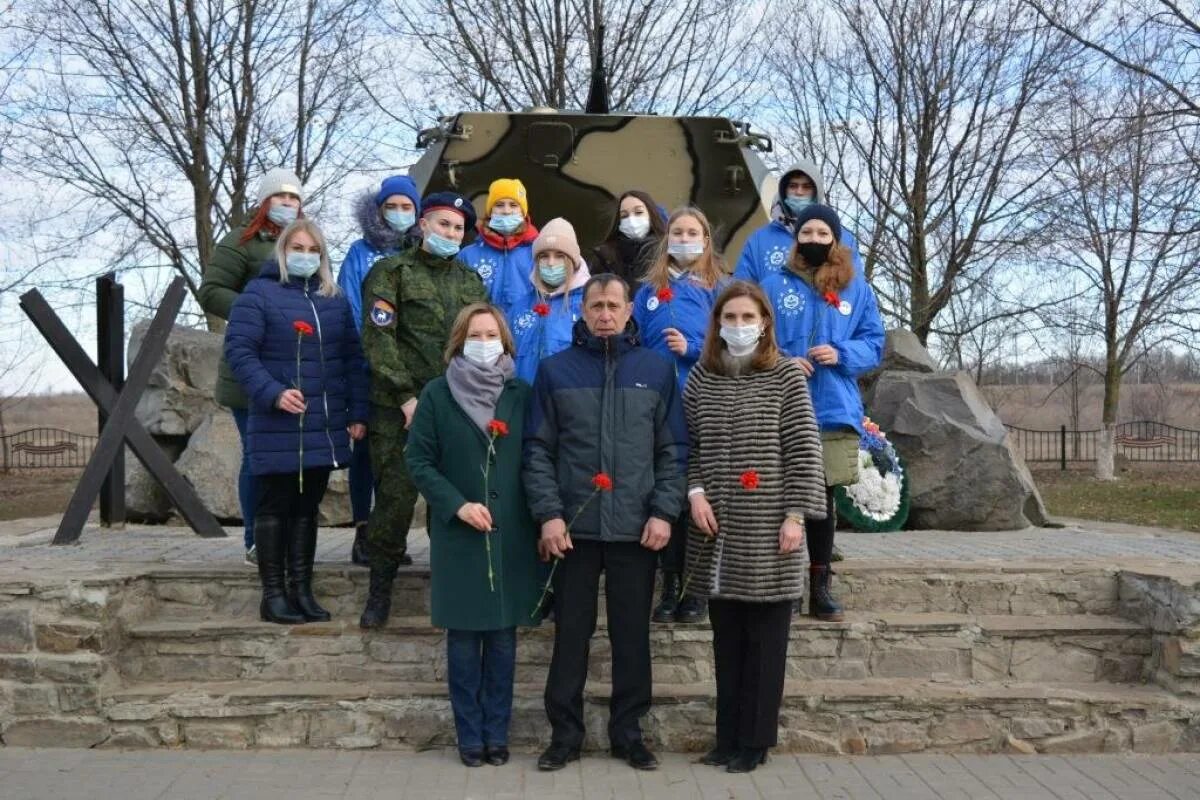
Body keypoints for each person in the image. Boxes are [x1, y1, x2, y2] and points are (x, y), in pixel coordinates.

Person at [523, 274, 687, 773]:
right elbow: (537, 451)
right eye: (596, 305)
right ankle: (565, 736)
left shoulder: (657, 370)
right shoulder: (555, 371)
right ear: (583, 310)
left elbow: (674, 450)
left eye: (613, 305)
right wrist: (549, 515)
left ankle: (628, 733)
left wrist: (663, 512)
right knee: (570, 636)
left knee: (632, 637)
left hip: (637, 529)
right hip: (574, 528)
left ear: (629, 308)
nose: (604, 314)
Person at [682, 281, 826, 773]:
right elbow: (690, 447)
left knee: (765, 646)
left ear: (765, 322)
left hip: (770, 531)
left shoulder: (786, 376)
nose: (739, 326)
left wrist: (795, 517)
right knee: (728, 643)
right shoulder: (702, 376)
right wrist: (695, 492)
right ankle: (726, 739)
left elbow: (806, 451)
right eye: (730, 317)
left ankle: (755, 742)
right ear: (717, 323)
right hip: (718, 529)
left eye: (748, 318)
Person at [405, 302, 543, 768]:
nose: (484, 343)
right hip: (460, 535)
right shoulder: (437, 394)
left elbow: (535, 457)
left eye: (492, 336)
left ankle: (496, 732)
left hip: (510, 537)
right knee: (464, 643)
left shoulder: (521, 393)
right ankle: (469, 735)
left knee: (503, 641)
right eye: (475, 334)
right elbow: (418, 460)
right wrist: (456, 503)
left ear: (505, 343)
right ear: (459, 340)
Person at [223, 218, 368, 625]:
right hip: (278, 421)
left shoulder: (333, 299)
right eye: (297, 248)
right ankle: (274, 593)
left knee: (307, 506)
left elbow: (351, 358)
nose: (305, 256)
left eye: (313, 250)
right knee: (276, 504)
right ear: (283, 251)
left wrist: (357, 411)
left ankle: (302, 588)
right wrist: (272, 392)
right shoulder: (258, 295)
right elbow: (240, 353)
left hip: (322, 423)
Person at [358, 192, 488, 629]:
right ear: (422, 226)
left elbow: (480, 344)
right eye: (442, 223)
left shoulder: (471, 282)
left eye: (457, 227)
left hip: (454, 409)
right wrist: (406, 396)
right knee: (395, 500)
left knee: (448, 500)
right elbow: (379, 339)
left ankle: (449, 586)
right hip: (399, 409)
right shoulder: (390, 273)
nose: (450, 233)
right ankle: (380, 588)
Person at [759, 204, 884, 620]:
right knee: (778, 496)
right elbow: (751, 339)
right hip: (781, 404)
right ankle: (785, 583)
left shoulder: (856, 288)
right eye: (806, 233)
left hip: (831, 407)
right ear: (796, 238)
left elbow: (874, 343)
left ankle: (820, 585)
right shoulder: (771, 284)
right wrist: (781, 361)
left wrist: (841, 352)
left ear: (835, 238)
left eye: (822, 233)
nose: (813, 240)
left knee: (820, 499)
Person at [199, 167, 304, 565]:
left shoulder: (301, 245)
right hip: (250, 367)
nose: (288, 204)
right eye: (280, 197)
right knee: (258, 456)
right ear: (264, 202)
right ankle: (255, 539)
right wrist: (254, 311)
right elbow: (211, 290)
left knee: (289, 459)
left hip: (291, 368)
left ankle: (288, 534)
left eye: (294, 199)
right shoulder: (240, 242)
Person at [631, 207, 727, 625]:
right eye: (678, 232)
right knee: (665, 492)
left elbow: (736, 345)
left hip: (701, 399)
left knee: (699, 496)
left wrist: (691, 347)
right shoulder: (647, 290)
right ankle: (668, 583)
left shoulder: (721, 288)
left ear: (706, 240)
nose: (685, 238)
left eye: (693, 232)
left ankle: (695, 587)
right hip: (656, 402)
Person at [336, 175, 422, 567]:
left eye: (407, 207)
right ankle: (363, 531)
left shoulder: (421, 250)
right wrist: (370, 355)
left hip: (411, 372)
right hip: (370, 368)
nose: (400, 214)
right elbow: (349, 306)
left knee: (399, 460)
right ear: (379, 209)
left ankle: (390, 536)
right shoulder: (360, 252)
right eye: (393, 206)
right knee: (367, 455)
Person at [733, 159, 865, 284]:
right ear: (784, 191)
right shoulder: (760, 240)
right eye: (793, 186)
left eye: (806, 187)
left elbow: (856, 289)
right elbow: (741, 289)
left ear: (816, 192)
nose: (799, 192)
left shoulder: (843, 239)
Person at [507, 218, 590, 384]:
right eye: (544, 256)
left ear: (573, 261)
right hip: (524, 400)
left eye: (560, 256)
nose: (551, 263)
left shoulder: (588, 306)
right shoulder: (519, 307)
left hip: (567, 402)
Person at [459, 178, 539, 313]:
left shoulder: (538, 252)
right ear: (490, 211)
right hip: (481, 332)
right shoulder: (467, 255)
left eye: (513, 205)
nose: (506, 211)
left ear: (523, 212)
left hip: (524, 332)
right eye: (499, 205)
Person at [592, 190, 667, 285]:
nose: (631, 220)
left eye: (638, 212)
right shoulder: (605, 256)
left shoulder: (667, 254)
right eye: (624, 216)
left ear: (651, 216)